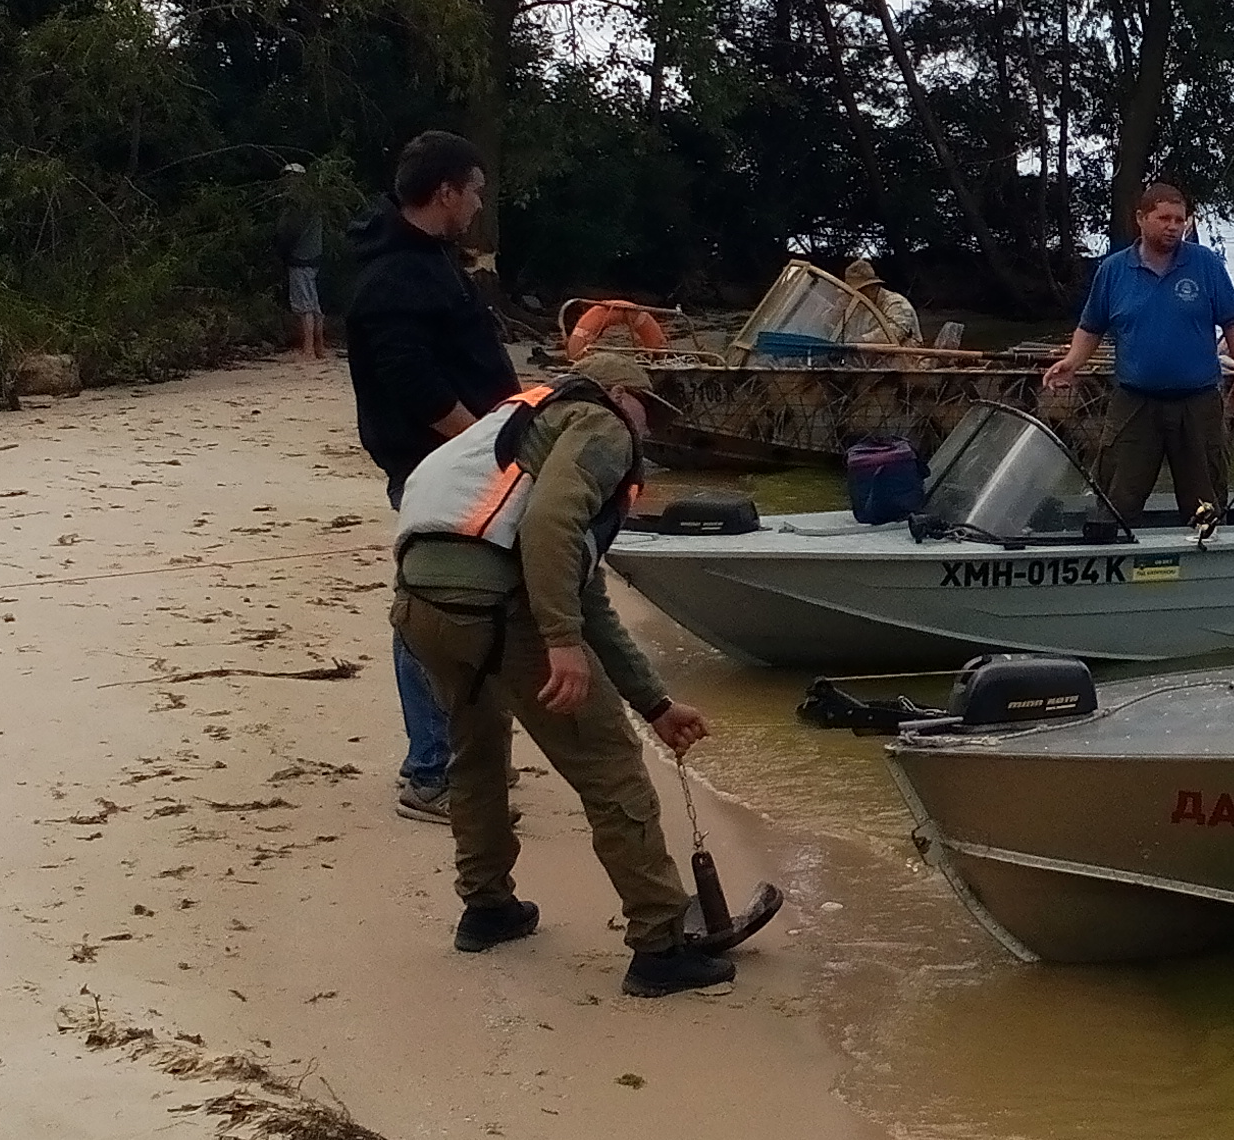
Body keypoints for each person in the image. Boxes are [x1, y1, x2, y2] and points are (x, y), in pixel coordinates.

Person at [390, 349, 775, 997]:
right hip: (498, 611)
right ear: (617, 394)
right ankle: (659, 945)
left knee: (475, 752)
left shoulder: (521, 426)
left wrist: (655, 705)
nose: (646, 426)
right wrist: (560, 642)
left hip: (419, 609)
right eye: (645, 408)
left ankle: (487, 908)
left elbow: (584, 589)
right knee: (609, 766)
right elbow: (550, 527)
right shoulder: (600, 425)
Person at [344, 131, 519, 824]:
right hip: (435, 469)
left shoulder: (426, 260)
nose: (477, 205)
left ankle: (467, 754)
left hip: (461, 462)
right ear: (444, 190)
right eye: (473, 191)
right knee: (431, 608)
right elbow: (413, 384)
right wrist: (486, 443)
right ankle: (430, 769)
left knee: (476, 603)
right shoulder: (392, 275)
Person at [1040, 183, 1234, 526]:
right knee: (1116, 499)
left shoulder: (1205, 264)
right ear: (1141, 218)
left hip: (1198, 402)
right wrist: (1072, 361)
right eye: (1164, 218)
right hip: (1134, 402)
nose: (1173, 226)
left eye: (1180, 220)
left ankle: (1205, 547)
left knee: (1205, 502)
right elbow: (1091, 327)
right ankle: (1113, 547)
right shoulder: (1113, 270)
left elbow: (1233, 324)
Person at [276, 164, 330, 362]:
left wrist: (281, 251)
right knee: (314, 304)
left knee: (304, 305)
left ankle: (308, 349)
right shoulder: (314, 200)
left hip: (301, 258)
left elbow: (289, 232)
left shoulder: (297, 203)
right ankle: (319, 348)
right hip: (314, 257)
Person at [839, 258, 922, 343]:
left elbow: (894, 333)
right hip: (867, 351)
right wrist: (837, 311)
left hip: (902, 351)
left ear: (872, 288)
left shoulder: (896, 303)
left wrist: (859, 340)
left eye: (859, 291)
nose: (853, 296)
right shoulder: (859, 306)